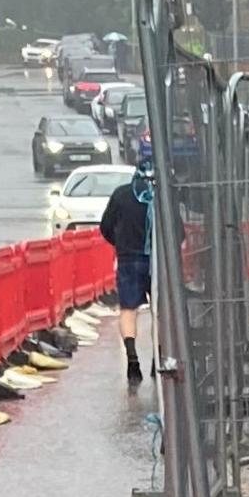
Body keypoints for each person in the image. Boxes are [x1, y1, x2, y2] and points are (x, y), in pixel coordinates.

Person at [97, 138, 155, 389]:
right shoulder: (162, 197)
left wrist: (120, 243)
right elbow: (179, 232)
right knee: (160, 311)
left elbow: (105, 227)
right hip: (158, 261)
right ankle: (158, 358)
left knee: (128, 309)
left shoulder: (121, 195)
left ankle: (132, 358)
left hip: (128, 259)